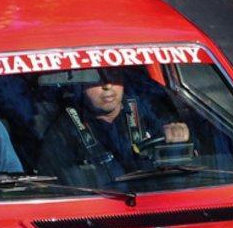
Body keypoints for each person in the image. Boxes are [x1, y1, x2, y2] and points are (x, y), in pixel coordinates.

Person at [36, 68, 190, 185]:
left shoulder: (148, 109)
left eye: (113, 76)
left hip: (153, 195)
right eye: (96, 79)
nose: (107, 85)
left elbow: (192, 158)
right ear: (80, 87)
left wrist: (178, 135)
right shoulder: (63, 130)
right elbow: (55, 184)